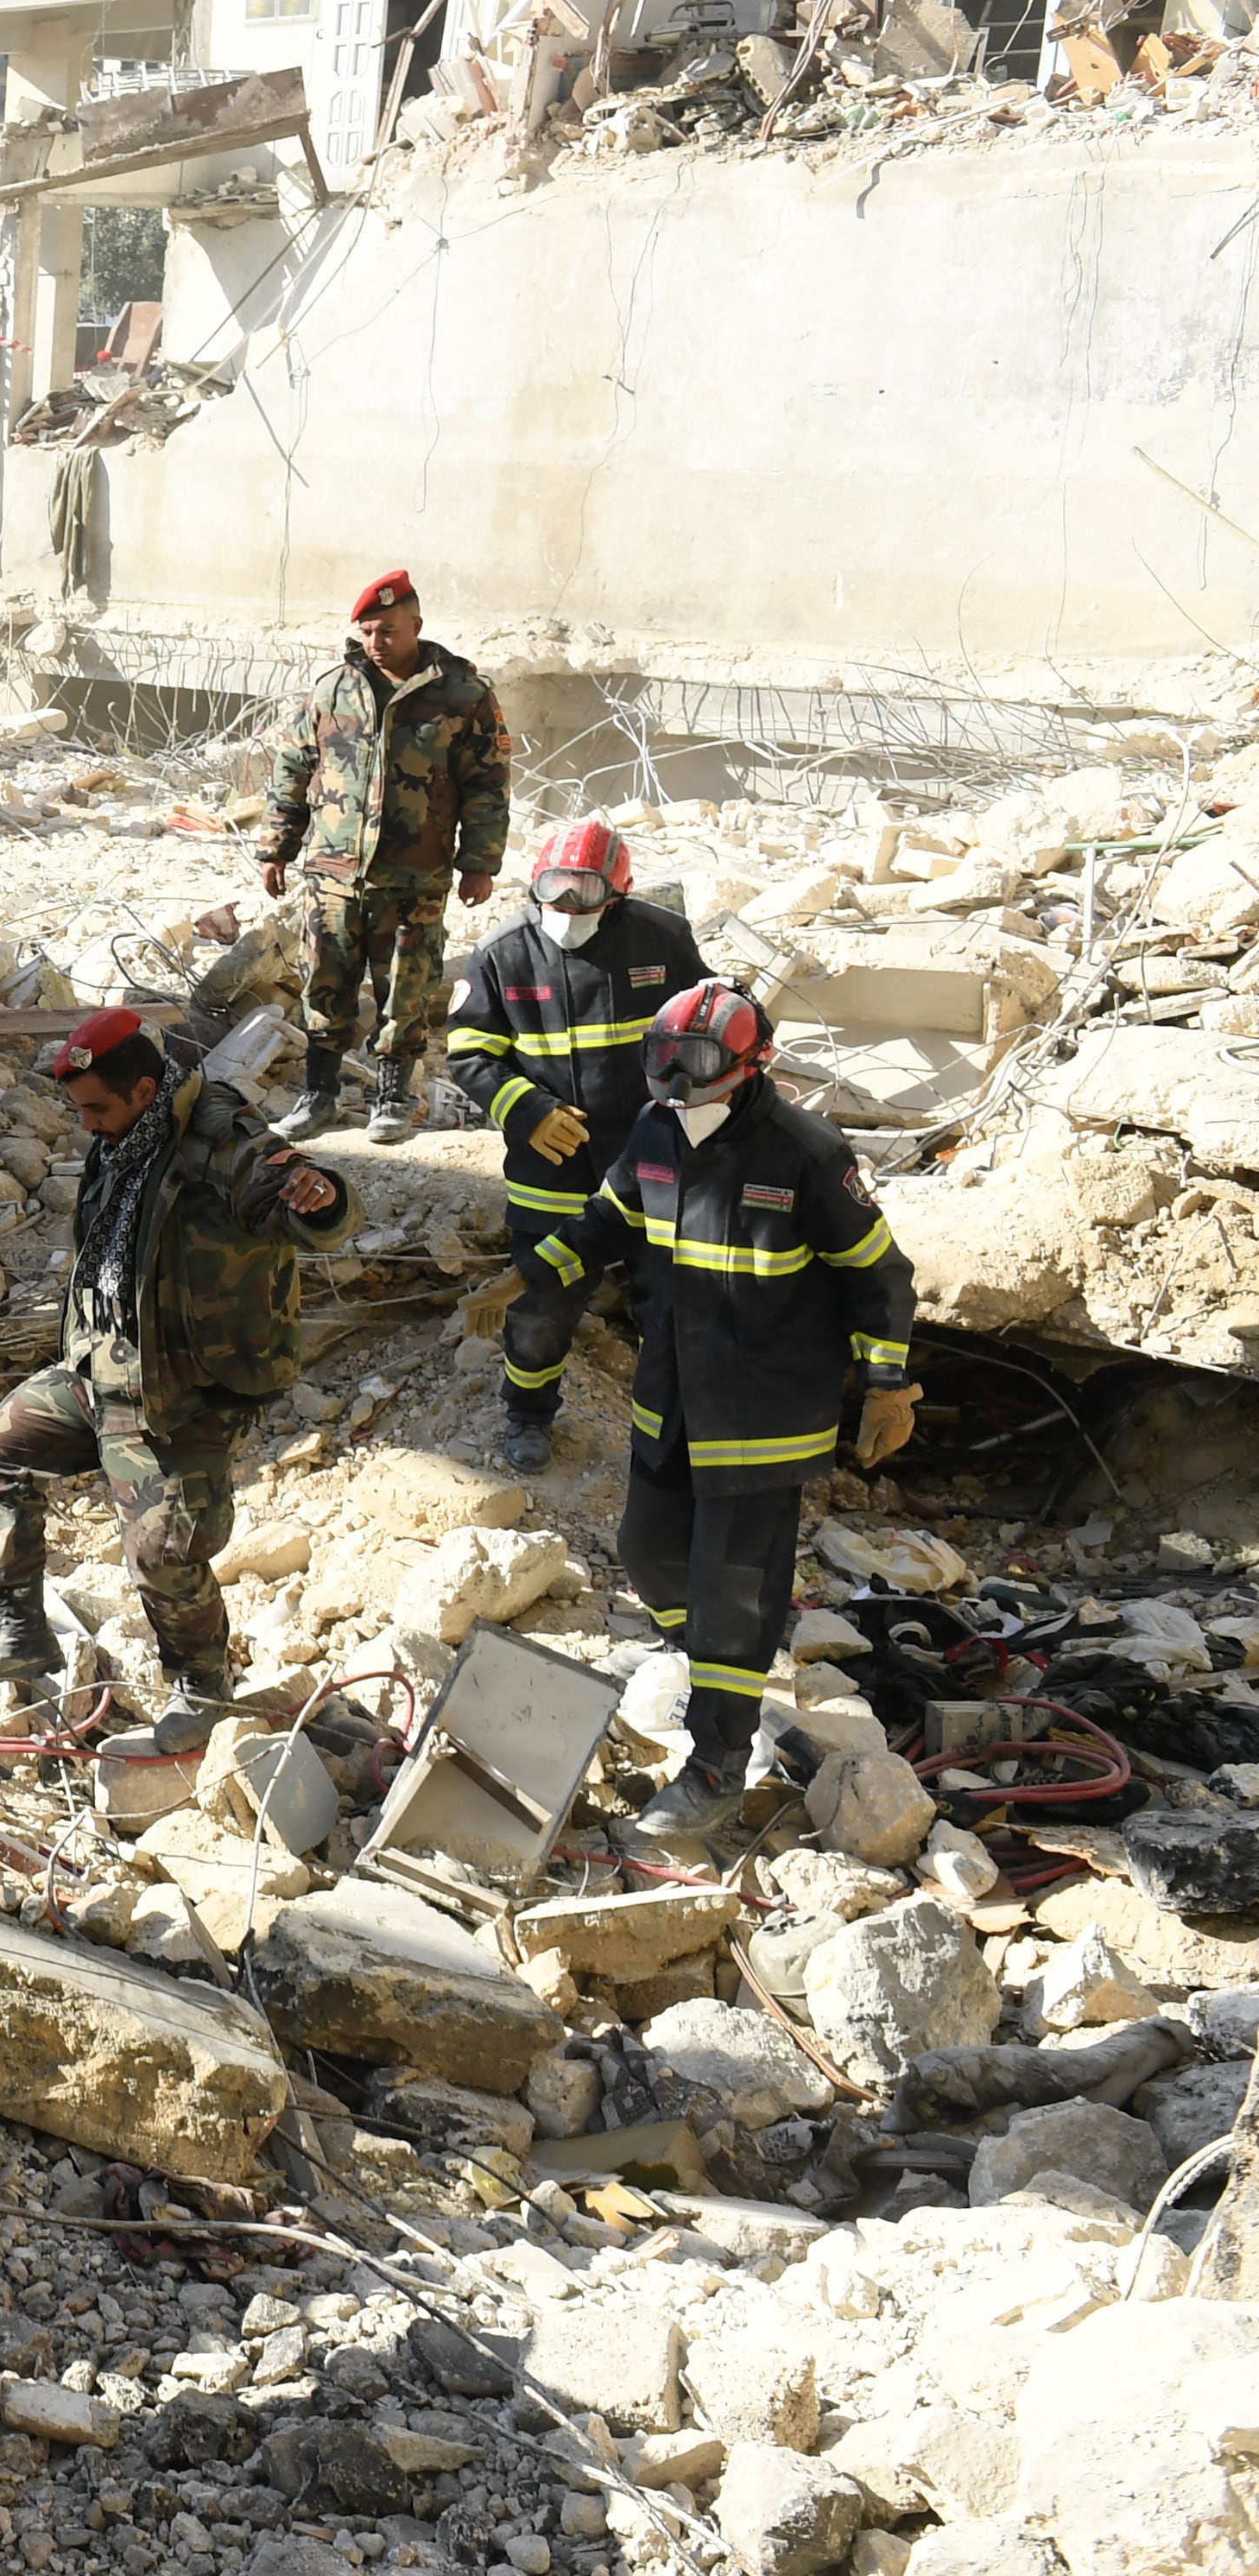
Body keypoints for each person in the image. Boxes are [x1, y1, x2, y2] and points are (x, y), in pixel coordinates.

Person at [0, 1010, 351, 1741]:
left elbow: (302, 1202)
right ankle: (20, 1629)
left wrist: (321, 1197)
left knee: (163, 1549)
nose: (86, 1122)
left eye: (97, 1106)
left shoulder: (223, 1137)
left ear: (147, 1088)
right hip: (103, 1364)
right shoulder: (123, 1132)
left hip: (186, 1385)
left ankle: (205, 1686)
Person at [599, 985, 919, 1846]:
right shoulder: (653, 1131)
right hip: (672, 1394)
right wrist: (531, 1272)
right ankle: (721, 1660)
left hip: (763, 1413)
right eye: (658, 1057)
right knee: (648, 1550)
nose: (671, 1077)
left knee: (729, 1589)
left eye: (692, 1063)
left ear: (750, 1066)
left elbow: (878, 1275)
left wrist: (887, 1383)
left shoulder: (803, 1154)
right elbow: (608, 1218)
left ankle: (714, 1764)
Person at [446, 820, 711, 1474]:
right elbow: (471, 1052)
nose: (565, 908)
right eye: (552, 891)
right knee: (541, 1306)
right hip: (551, 1170)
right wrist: (526, 1110)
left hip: (650, 1164)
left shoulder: (661, 939)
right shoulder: (504, 952)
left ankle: (672, 1437)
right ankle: (528, 1415)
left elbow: (702, 1024)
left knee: (670, 1305)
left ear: (615, 893)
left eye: (582, 893)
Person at [261, 567, 512, 1142]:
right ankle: (318, 1094)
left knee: (406, 987)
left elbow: (488, 784)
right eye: (368, 630)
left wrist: (479, 862)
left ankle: (393, 1098)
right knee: (323, 981)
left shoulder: (463, 694)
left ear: (417, 625)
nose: (377, 642)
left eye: (388, 629)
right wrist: (276, 847)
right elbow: (294, 768)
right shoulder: (334, 690)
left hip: (414, 875)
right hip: (331, 873)